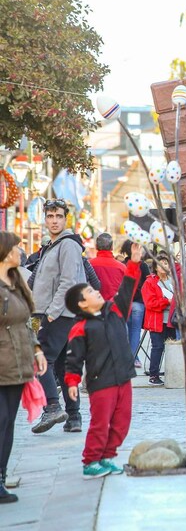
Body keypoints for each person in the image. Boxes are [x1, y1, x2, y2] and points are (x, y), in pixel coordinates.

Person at [63, 241, 144, 479]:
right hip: (101, 382)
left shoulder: (115, 311)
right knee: (100, 423)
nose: (95, 291)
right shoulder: (80, 327)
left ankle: (107, 456)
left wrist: (134, 263)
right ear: (82, 304)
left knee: (122, 422)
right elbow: (73, 358)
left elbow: (127, 289)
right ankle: (91, 462)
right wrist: (71, 381)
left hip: (123, 377)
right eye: (89, 292)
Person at [29, 198, 86, 434]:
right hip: (60, 312)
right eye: (50, 216)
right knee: (63, 367)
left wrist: (51, 313)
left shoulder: (68, 245)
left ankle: (52, 406)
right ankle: (74, 416)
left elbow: (68, 282)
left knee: (40, 359)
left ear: (66, 219)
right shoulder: (52, 245)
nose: (54, 221)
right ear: (45, 219)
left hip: (59, 313)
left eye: (59, 216)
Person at [0, 232, 47, 503]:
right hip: (3, 361)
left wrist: (37, 349)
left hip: (18, 363)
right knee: (1, 421)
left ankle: (1, 478)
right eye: (16, 247)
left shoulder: (17, 282)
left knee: (8, 424)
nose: (20, 251)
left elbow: (27, 322)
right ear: (5, 253)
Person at [141, 254, 177, 386]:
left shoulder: (173, 281)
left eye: (166, 263)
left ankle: (172, 373)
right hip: (157, 320)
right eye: (160, 264)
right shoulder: (150, 282)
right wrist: (166, 301)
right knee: (157, 347)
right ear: (155, 267)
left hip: (172, 320)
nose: (163, 266)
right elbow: (150, 303)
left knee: (172, 347)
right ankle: (153, 375)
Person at [119, 240, 150, 365]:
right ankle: (134, 358)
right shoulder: (143, 266)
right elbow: (148, 282)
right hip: (139, 302)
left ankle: (126, 357)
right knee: (136, 330)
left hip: (125, 302)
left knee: (125, 330)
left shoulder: (122, 264)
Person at [89, 233, 126, 302]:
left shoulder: (89, 264)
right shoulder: (122, 267)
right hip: (114, 305)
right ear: (112, 247)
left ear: (96, 246)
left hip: (93, 304)